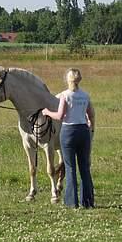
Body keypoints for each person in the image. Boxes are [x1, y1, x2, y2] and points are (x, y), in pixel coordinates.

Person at [42, 68, 95, 208]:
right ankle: (88, 201)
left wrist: (47, 112)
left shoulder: (65, 96)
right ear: (80, 79)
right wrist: (91, 128)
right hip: (84, 132)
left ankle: (72, 202)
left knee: (70, 167)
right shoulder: (85, 95)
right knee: (84, 167)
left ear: (67, 79)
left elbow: (60, 116)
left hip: (69, 131)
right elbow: (91, 114)